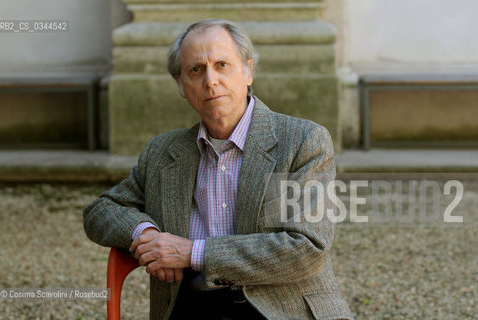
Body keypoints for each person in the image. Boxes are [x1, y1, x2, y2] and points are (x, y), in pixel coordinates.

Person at [83, 19, 354, 320]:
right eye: (196, 70)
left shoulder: (303, 141)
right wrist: (146, 233)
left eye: (222, 64)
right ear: (181, 86)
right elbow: (101, 210)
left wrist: (191, 252)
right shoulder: (162, 152)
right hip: (190, 306)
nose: (210, 80)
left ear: (248, 71)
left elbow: (308, 248)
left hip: (277, 307)